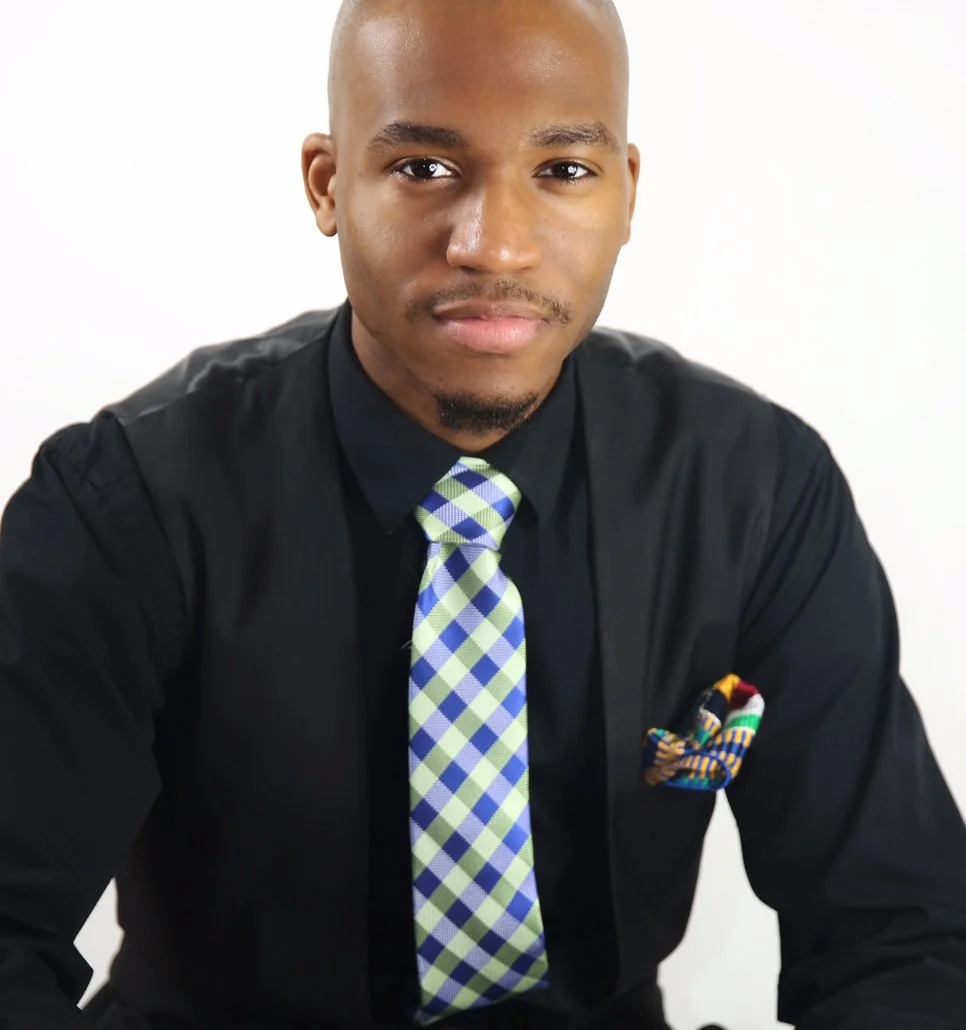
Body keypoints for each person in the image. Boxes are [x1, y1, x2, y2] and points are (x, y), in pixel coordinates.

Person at [1, 1, 964, 1028]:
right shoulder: (127, 504)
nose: (494, 246)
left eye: (562, 171)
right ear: (329, 185)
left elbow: (895, 930)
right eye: (423, 168)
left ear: (626, 191)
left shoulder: (753, 493)